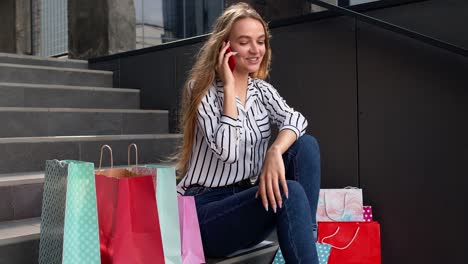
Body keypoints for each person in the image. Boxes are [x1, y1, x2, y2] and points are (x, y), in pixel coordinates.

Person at [175, 2, 320, 263]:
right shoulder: (201, 90)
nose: (256, 50)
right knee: (292, 191)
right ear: (225, 46)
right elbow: (228, 153)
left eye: (261, 41)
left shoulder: (261, 91)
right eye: (245, 42)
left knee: (305, 146)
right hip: (204, 213)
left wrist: (274, 151)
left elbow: (297, 120)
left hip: (247, 199)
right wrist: (229, 86)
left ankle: (307, 237)